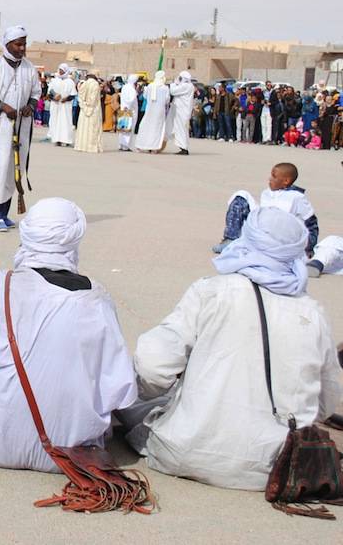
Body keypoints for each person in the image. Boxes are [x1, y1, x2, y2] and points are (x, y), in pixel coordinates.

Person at [119, 207, 341, 490]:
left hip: (183, 452)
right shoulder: (313, 314)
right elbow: (325, 403)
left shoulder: (211, 291)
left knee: (125, 392)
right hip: (274, 465)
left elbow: (153, 366)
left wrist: (157, 397)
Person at [0, 198, 137, 471]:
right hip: (71, 453)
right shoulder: (96, 299)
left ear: (27, 235)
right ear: (74, 239)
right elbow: (120, 389)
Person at [0, 26, 40, 232]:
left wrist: (30, 107)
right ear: (7, 45)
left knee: (14, 170)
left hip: (21, 127)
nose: (22, 48)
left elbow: (36, 93)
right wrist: (4, 107)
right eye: (18, 44)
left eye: (24, 44)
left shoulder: (29, 68)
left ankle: (4, 214)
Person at [212, 162, 319, 256]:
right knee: (241, 195)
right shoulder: (266, 193)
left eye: (274, 177)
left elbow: (311, 223)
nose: (270, 179)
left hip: (280, 238)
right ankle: (231, 239)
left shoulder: (297, 197)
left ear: (286, 181)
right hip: (261, 231)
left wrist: (308, 247)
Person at [135, 71, 170, 153]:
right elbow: (167, 100)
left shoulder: (150, 86)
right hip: (159, 112)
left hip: (149, 111)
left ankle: (141, 146)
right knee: (156, 129)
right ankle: (154, 148)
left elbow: (145, 96)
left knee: (145, 127)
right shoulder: (165, 88)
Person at [46, 64, 76, 147]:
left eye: (62, 70)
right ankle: (57, 139)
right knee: (55, 121)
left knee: (65, 122)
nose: (60, 71)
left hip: (65, 106)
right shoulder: (54, 80)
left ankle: (66, 140)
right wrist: (54, 97)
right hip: (56, 105)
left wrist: (65, 99)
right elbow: (49, 93)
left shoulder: (70, 82)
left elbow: (73, 95)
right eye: (59, 70)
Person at [73, 74, 103, 153]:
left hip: (83, 110)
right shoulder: (95, 84)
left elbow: (80, 96)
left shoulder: (84, 84)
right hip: (94, 110)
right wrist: (89, 105)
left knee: (83, 128)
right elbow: (92, 100)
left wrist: (84, 105)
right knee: (93, 129)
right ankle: (92, 147)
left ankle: (81, 146)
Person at [167, 71, 194, 155]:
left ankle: (183, 148)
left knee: (181, 129)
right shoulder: (190, 86)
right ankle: (183, 147)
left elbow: (173, 91)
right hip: (181, 110)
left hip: (182, 111)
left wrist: (174, 83)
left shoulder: (186, 86)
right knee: (180, 129)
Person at [118, 74, 139, 152]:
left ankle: (121, 144)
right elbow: (131, 100)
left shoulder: (125, 87)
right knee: (129, 128)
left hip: (123, 109)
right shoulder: (132, 89)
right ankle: (126, 146)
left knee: (123, 128)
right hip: (130, 111)